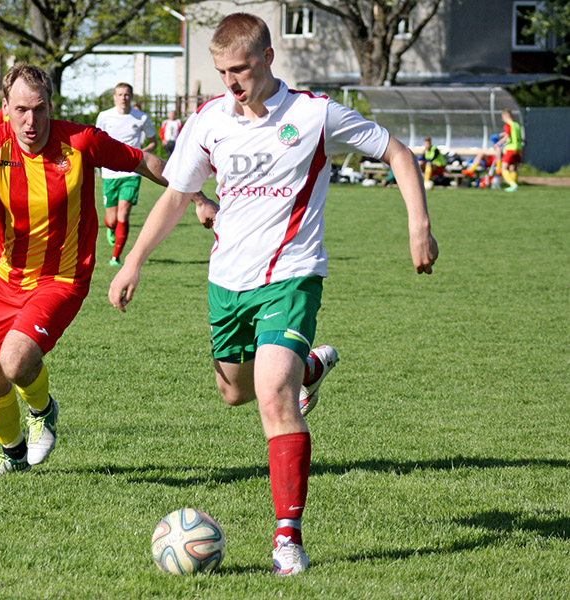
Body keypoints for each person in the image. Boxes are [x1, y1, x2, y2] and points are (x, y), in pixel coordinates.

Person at [108, 13, 437, 576]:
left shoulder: (314, 114)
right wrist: (134, 260)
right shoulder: (209, 120)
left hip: (292, 276)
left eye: (240, 69)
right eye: (221, 72)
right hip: (226, 282)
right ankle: (308, 368)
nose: (230, 82)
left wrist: (418, 226)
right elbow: (176, 196)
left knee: (273, 398)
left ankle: (288, 538)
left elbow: (398, 153)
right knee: (233, 392)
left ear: (267, 58)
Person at [0, 64, 188, 478]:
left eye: (39, 109)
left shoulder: (79, 141)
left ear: (51, 106)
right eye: (20, 110)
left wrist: (197, 197)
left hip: (62, 277)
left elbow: (144, 161)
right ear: (5, 107)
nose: (30, 121)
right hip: (5, 278)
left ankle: (43, 411)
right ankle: (13, 454)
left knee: (16, 361)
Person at [95, 83, 157, 266]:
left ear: (131, 97)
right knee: (112, 219)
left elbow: (153, 141)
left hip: (132, 172)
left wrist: (142, 153)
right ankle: (110, 226)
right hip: (109, 173)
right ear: (115, 97)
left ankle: (116, 257)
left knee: (124, 213)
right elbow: (96, 139)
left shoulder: (141, 117)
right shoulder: (104, 116)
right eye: (120, 94)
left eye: (127, 94)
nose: (123, 98)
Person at [500, 109, 522, 192]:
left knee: (503, 168)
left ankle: (512, 184)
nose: (502, 119)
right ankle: (514, 187)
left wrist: (498, 144)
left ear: (505, 116)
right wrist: (504, 133)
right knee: (512, 168)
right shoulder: (516, 125)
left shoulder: (508, 125)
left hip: (510, 148)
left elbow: (507, 136)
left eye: (502, 117)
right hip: (518, 148)